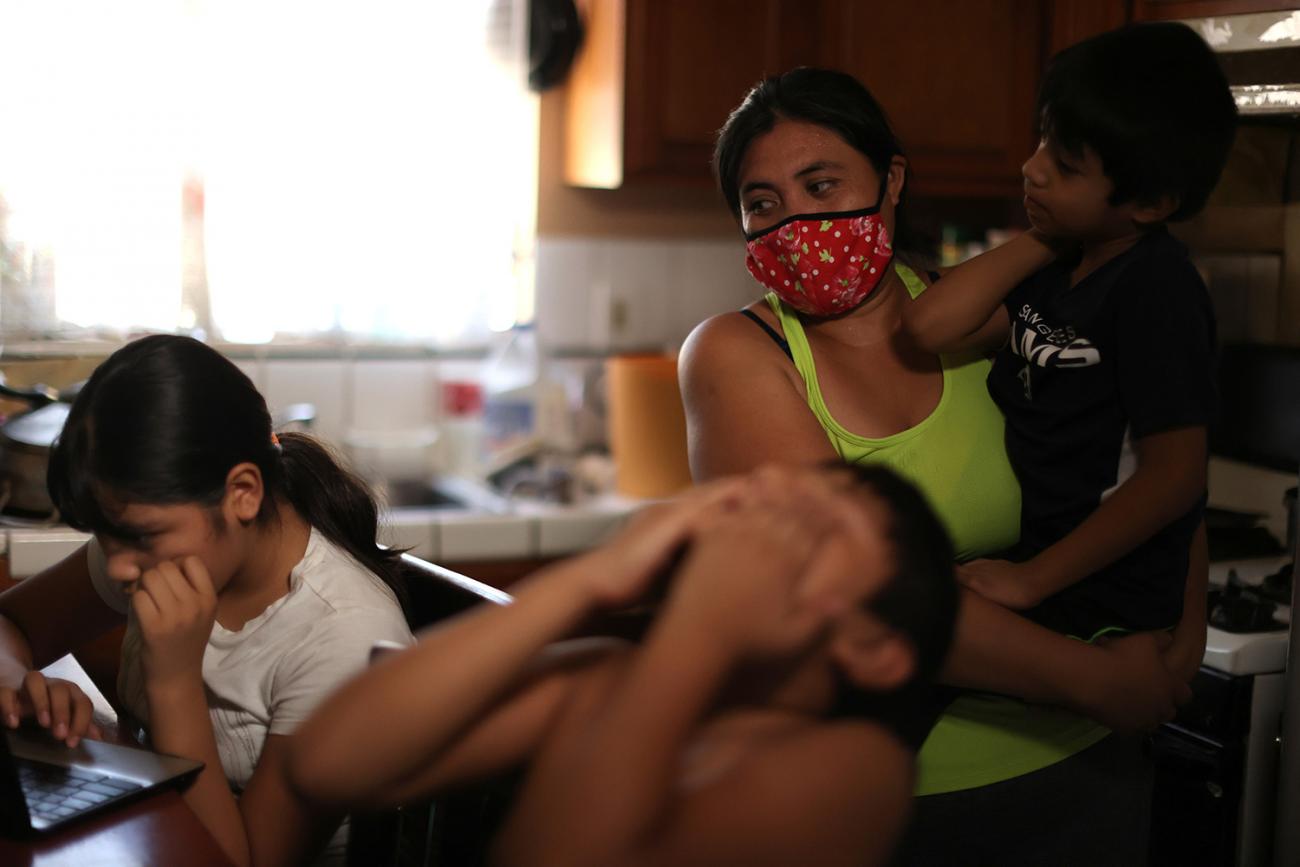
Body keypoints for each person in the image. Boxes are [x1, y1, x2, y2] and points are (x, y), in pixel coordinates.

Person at [678, 66, 1207, 865]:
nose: (797, 224)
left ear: (890, 180)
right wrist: (1098, 681)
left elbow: (1148, 456)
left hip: (1088, 766)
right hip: (889, 797)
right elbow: (861, 585)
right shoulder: (735, 354)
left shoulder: (997, 314)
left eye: (822, 185)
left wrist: (1182, 636)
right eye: (763, 203)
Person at [287, 462, 960, 867]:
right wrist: (591, 578)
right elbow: (327, 762)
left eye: (812, 526)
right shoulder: (607, 677)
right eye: (766, 503)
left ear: (876, 650)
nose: (764, 527)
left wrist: (702, 624)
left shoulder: (860, 767)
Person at [0, 335, 414, 867]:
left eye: (139, 536)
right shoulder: (155, 549)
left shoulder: (341, 635)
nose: (118, 564)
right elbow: (11, 622)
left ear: (243, 493)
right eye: (106, 536)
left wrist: (174, 681)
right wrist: (16, 689)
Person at [905, 22, 1233, 643]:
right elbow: (929, 324)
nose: (1031, 168)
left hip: (1096, 602)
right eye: (1041, 141)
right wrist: (1046, 236)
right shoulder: (1065, 264)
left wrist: (1033, 580)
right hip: (1038, 578)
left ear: (1153, 202)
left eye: (1065, 163)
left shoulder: (1157, 288)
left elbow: (1175, 476)